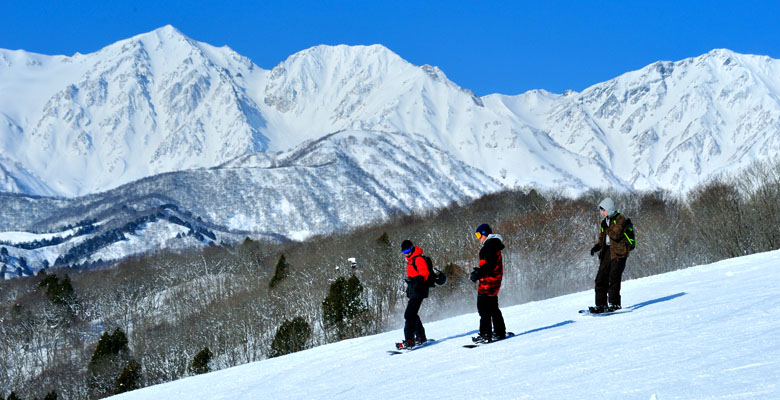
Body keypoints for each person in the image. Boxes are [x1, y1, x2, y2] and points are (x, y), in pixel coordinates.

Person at [589, 197, 631, 313]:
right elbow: (602, 238)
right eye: (601, 210)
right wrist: (596, 247)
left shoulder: (620, 219)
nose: (602, 212)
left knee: (614, 278)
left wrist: (606, 228)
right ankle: (601, 304)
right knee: (600, 278)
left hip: (619, 253)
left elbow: (616, 235)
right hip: (607, 252)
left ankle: (615, 304)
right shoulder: (605, 221)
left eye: (603, 210)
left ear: (609, 209)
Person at [470, 224, 506, 343]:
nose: (478, 238)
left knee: (483, 307)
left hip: (489, 282)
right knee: (493, 307)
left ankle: (486, 334)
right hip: (493, 281)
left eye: (478, 235)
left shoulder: (490, 245)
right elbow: (490, 263)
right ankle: (499, 332)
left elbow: (490, 265)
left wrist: (478, 274)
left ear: (484, 234)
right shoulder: (493, 245)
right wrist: (479, 271)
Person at [397, 239, 429, 349]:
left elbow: (424, 273)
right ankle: (420, 337)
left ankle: (409, 340)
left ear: (412, 248)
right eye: (404, 251)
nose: (407, 253)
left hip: (419, 290)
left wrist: (415, 281)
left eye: (408, 250)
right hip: (414, 291)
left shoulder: (418, 259)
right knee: (413, 314)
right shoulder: (411, 260)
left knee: (409, 315)